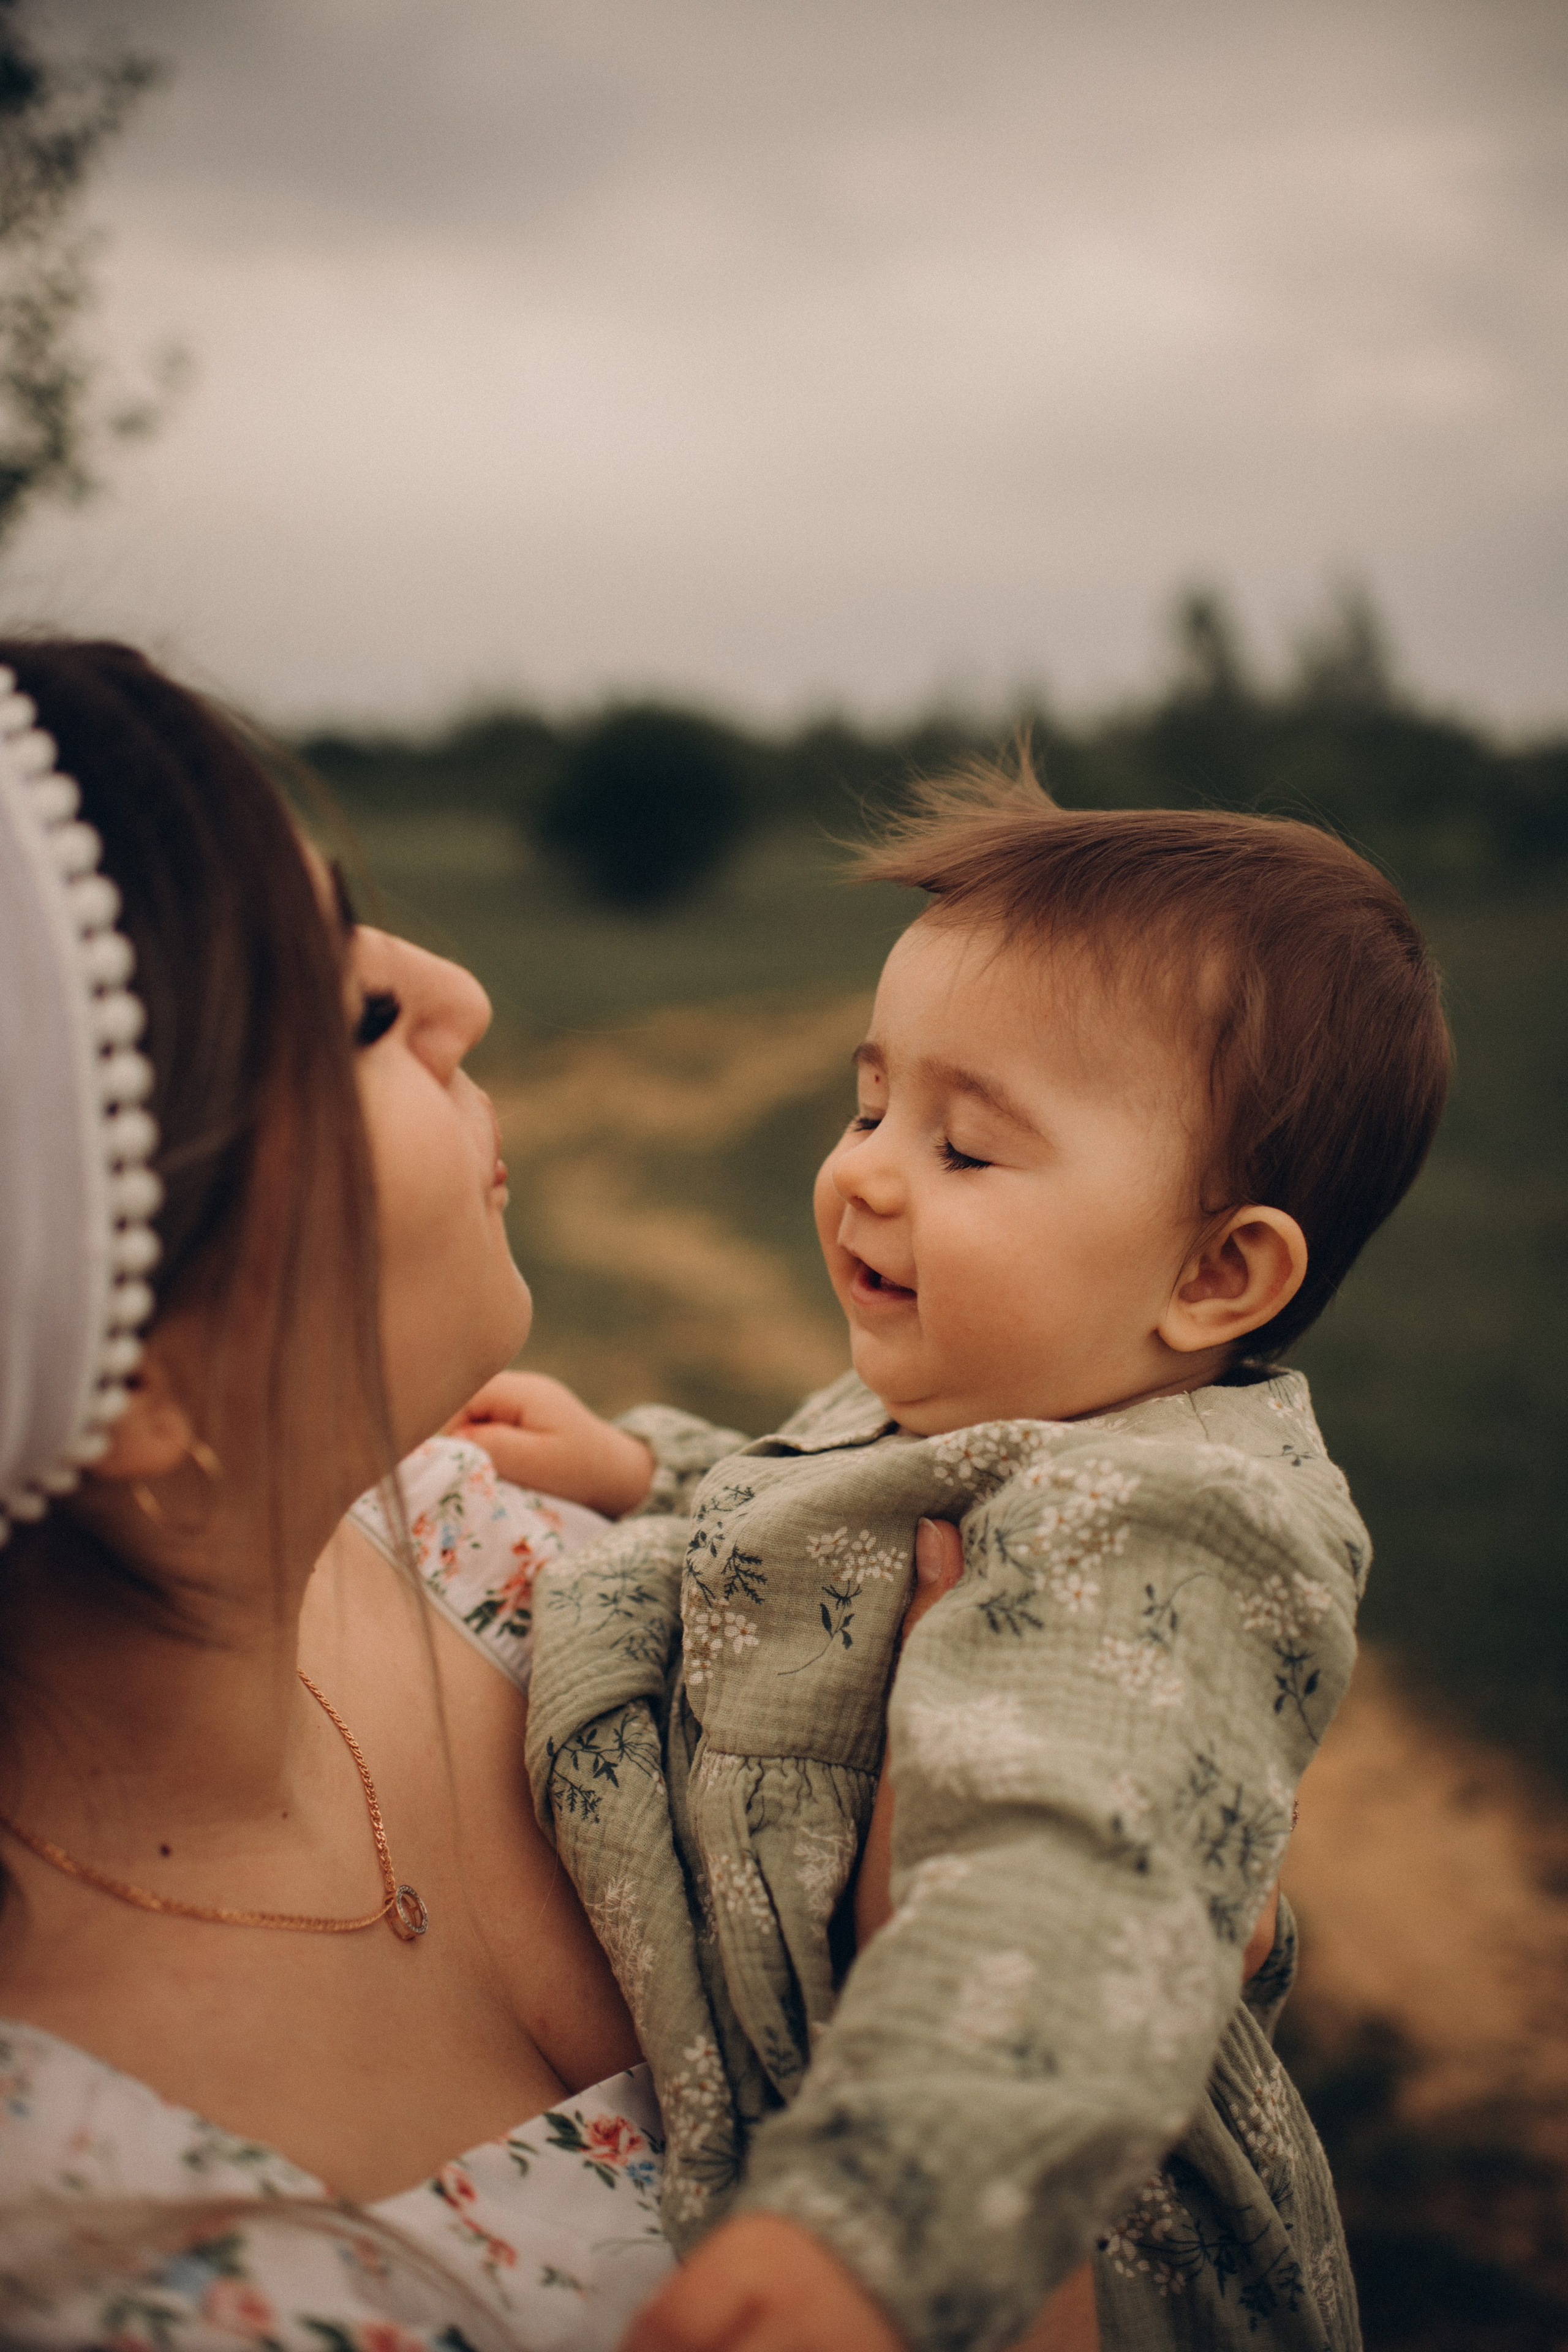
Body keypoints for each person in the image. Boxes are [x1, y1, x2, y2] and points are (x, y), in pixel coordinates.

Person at [453, 766, 1452, 2352]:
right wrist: (654, 1468)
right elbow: (838, 1526)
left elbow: (1061, 1892)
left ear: (1216, 1272)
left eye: (966, 1148)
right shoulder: (1013, 1404)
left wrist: (876, 2232)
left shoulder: (1165, 1525)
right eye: (869, 1107)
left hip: (1050, 2269)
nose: (865, 1169)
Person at [0, 638, 680, 2349]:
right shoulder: (106, 2253)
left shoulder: (484, 1531)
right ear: (140, 1381)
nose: (459, 992)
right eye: (357, 1012)